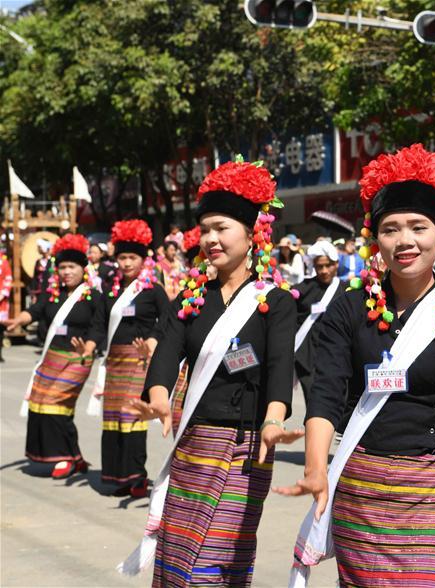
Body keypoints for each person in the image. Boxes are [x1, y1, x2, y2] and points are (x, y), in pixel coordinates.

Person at [277, 144, 435, 587]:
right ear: (374, 238)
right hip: (359, 485)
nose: (405, 241)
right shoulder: (349, 309)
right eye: (391, 228)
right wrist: (315, 467)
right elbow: (325, 393)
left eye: (419, 227)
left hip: (433, 489)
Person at [118, 160, 302, 586]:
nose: (211, 239)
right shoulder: (193, 296)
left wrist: (274, 419)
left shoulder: (273, 301)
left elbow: (279, 367)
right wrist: (159, 396)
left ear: (253, 232)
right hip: (194, 441)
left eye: (222, 227)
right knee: (180, 546)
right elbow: (168, 352)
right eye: (205, 230)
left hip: (245, 446)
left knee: (219, 554)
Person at [79, 219, 170, 498]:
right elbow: (98, 323)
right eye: (122, 257)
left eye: (132, 258)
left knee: (132, 418)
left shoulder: (152, 289)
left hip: (139, 361)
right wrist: (89, 346)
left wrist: (153, 340)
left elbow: (167, 319)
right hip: (114, 362)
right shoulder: (111, 290)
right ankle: (117, 476)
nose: (127, 263)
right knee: (113, 420)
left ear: (143, 260)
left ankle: (137, 477)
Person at [2, 234, 102, 477]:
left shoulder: (93, 296)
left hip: (77, 358)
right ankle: (73, 456)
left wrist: (88, 348)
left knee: (55, 405)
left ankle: (64, 458)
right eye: (62, 268)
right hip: (51, 357)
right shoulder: (53, 294)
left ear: (83, 269)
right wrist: (18, 320)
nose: (67, 272)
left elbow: (98, 326)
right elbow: (34, 311)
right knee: (39, 405)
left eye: (72, 267)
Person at [293, 239, 347, 402]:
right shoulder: (304, 288)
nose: (324, 271)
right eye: (319, 266)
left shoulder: (346, 290)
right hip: (307, 357)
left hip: (336, 356)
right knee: (313, 401)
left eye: (328, 265)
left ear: (336, 264)